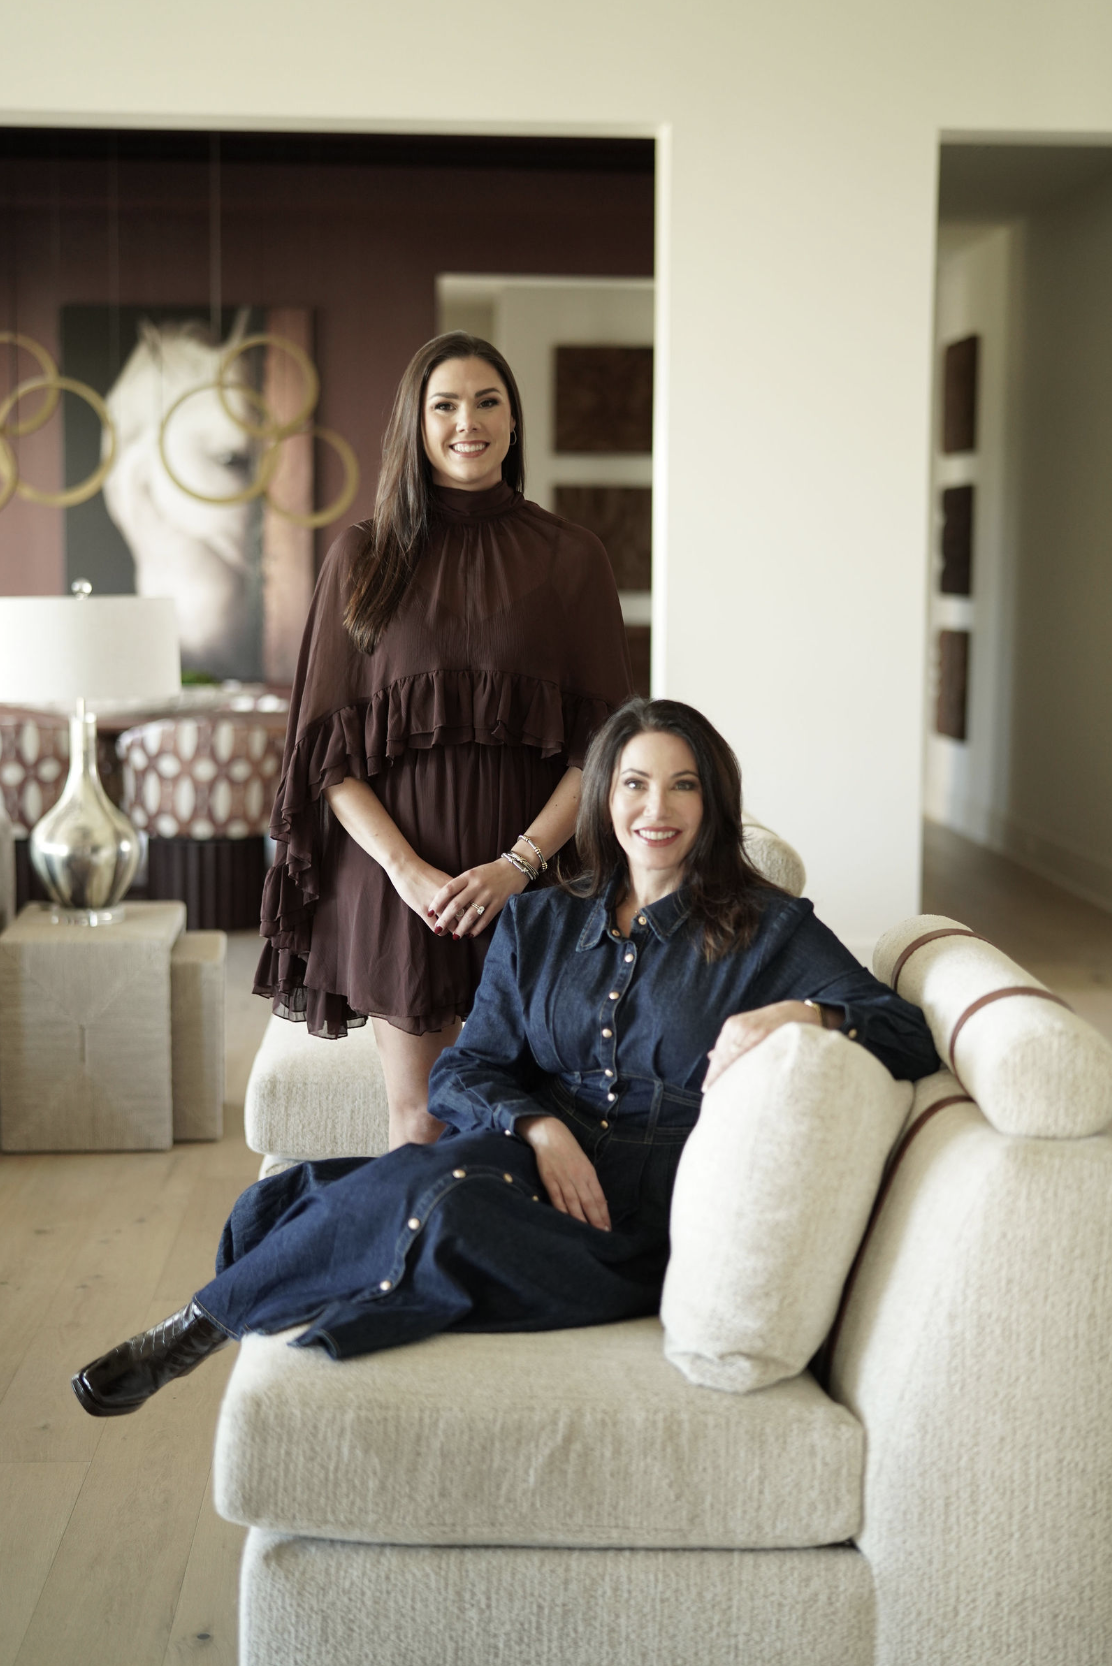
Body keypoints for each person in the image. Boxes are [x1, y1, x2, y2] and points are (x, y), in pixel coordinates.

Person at [71, 698, 939, 1418]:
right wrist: (537, 1127)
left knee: (429, 1208)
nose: (658, 808)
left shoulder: (767, 928)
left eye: (683, 785)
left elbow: (905, 1031)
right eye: (634, 783)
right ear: (604, 798)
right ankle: (208, 1322)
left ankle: (199, 1326)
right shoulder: (541, 919)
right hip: (520, 1165)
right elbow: (464, 1070)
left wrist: (798, 1012)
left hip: (638, 1228)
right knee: (364, 1191)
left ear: (713, 801)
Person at [253, 331, 633, 1146]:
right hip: (398, 890)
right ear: (416, 423)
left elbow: (602, 751)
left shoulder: (573, 559)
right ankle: (419, 1239)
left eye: (488, 402)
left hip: (534, 888)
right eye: (446, 405)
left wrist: (517, 865)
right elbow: (326, 757)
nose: (469, 422)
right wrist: (408, 874)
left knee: (529, 1121)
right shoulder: (362, 557)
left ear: (514, 421)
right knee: (421, 1118)